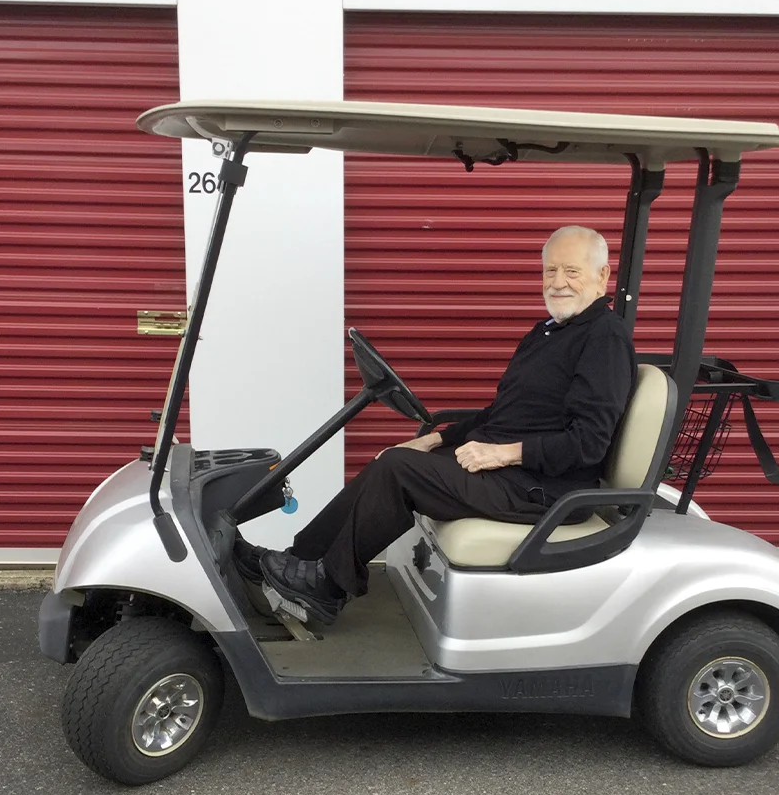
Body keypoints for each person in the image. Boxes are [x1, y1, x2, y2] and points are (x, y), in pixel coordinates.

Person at [253, 225, 637, 623]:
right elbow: (500, 413)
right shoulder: (548, 334)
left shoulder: (604, 339)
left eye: (571, 271)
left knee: (398, 472)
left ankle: (327, 587)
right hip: (513, 473)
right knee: (396, 458)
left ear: (602, 276)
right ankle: (300, 558)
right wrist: (436, 439)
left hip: (542, 488)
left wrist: (502, 454)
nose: (558, 283)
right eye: (550, 271)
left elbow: (589, 443)